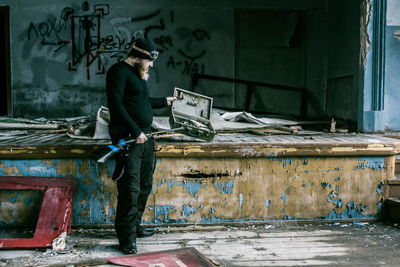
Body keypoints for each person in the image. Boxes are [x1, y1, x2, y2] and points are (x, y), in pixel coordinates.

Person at [106, 37, 175, 255]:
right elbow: (115, 105)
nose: (152, 65)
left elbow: (142, 102)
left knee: (145, 185)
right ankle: (126, 239)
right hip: (128, 139)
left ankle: (134, 227)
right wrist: (135, 131)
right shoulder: (118, 71)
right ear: (138, 57)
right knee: (130, 189)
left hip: (146, 139)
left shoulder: (138, 74)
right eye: (149, 60)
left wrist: (166, 101)